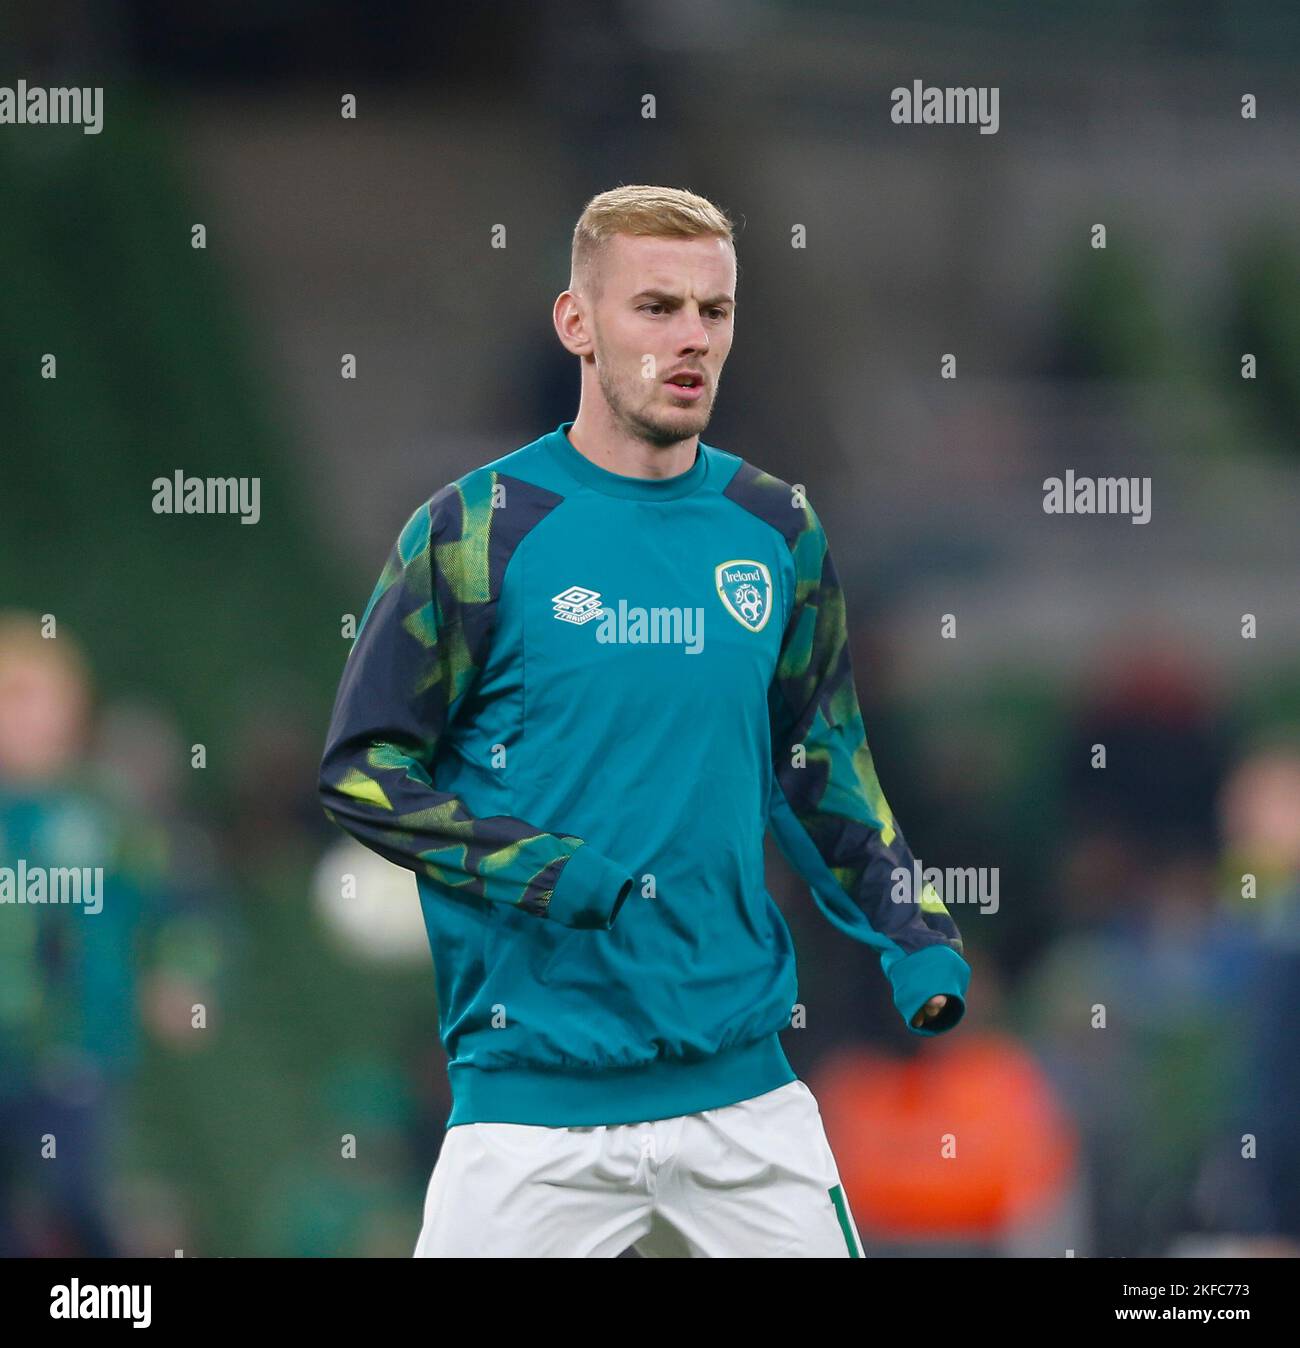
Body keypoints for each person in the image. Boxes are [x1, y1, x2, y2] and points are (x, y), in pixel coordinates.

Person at [318, 184, 971, 1257]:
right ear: (578, 324)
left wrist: (915, 936)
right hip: (529, 1097)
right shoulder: (476, 529)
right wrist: (541, 868)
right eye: (655, 308)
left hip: (740, 1088)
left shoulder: (775, 526)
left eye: (712, 312)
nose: (690, 340)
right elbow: (362, 769)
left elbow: (820, 763)